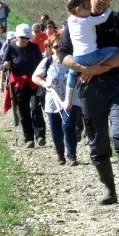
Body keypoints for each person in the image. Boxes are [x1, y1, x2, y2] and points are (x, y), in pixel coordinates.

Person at [60, 0, 119, 205]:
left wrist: (98, 69)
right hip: (89, 90)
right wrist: (85, 69)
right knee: (97, 137)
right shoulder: (74, 21)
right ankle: (108, 190)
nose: (103, 0)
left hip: (117, 85)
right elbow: (63, 55)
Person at [34, 33, 82, 165]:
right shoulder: (47, 62)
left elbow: (85, 73)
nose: (59, 49)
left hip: (73, 99)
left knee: (68, 125)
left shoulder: (74, 61)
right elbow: (36, 77)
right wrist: (45, 84)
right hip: (52, 101)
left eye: (63, 47)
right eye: (56, 47)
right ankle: (60, 153)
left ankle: (71, 155)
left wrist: (82, 77)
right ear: (50, 47)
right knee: (56, 130)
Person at [3, 24, 47, 147]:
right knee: (23, 111)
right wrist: (6, 64)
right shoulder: (11, 48)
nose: (25, 40)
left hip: (33, 82)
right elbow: (4, 62)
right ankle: (28, 138)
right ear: (17, 37)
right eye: (23, 38)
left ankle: (40, 136)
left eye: (27, 38)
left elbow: (41, 63)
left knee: (35, 108)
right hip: (19, 84)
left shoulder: (34, 47)